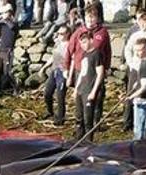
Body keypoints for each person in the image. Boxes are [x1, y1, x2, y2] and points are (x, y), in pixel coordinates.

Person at [67, 3, 112, 131]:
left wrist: (107, 68)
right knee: (80, 104)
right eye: (88, 18)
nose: (90, 21)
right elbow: (70, 51)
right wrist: (68, 71)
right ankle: (80, 130)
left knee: (97, 99)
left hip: (97, 69)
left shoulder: (103, 32)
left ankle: (95, 125)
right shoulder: (79, 32)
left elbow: (108, 51)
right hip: (80, 70)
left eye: (93, 18)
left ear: (97, 18)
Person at [72, 29, 105, 141]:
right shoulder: (85, 54)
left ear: (91, 40)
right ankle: (78, 139)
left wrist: (93, 92)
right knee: (79, 117)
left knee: (88, 119)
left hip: (89, 90)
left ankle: (88, 141)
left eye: (85, 42)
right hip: (81, 88)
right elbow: (82, 72)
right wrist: (76, 88)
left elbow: (100, 73)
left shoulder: (96, 54)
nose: (82, 45)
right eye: (81, 43)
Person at [44, 24, 70, 124]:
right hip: (54, 70)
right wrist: (44, 67)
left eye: (62, 33)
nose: (59, 35)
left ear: (67, 34)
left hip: (63, 72)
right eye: (58, 33)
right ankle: (49, 111)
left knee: (60, 96)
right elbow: (53, 57)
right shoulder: (58, 43)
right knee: (47, 92)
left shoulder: (69, 45)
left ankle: (60, 117)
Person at [0, 8, 18, 92]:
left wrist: (7, 19)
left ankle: (15, 88)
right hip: (2, 50)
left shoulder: (14, 24)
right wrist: (0, 17)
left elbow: (12, 27)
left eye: (8, 14)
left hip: (8, 51)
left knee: (7, 72)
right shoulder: (2, 24)